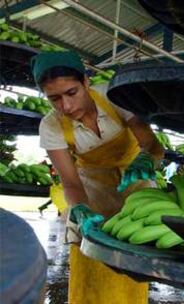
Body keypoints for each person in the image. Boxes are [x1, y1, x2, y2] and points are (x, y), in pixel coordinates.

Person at [32, 50, 164, 303]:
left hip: (135, 176)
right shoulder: (50, 126)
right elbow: (70, 181)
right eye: (54, 99)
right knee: (90, 248)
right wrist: (80, 207)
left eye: (72, 93)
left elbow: (152, 145)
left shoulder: (113, 97)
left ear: (86, 82)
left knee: (136, 249)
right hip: (91, 185)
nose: (66, 106)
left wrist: (147, 157)